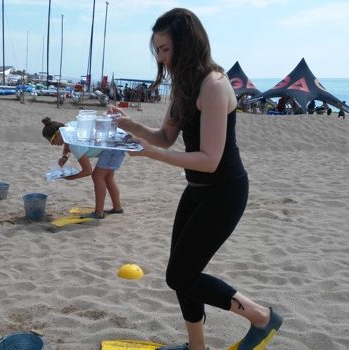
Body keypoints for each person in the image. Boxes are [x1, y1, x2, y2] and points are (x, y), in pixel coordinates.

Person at [109, 8, 282, 350]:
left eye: (166, 49)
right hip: (198, 190)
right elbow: (164, 137)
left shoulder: (214, 86)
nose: (161, 58)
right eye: (157, 50)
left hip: (225, 192)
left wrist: (151, 153)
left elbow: (209, 159)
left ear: (187, 44)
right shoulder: (183, 86)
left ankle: (262, 317)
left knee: (180, 274)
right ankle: (196, 347)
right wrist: (130, 126)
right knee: (181, 274)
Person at [41, 117, 125, 219]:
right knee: (107, 177)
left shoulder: (74, 144)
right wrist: (64, 157)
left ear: (58, 134)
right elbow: (67, 147)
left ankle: (99, 213)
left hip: (113, 145)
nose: (52, 144)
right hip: (116, 140)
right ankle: (117, 208)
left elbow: (87, 171)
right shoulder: (67, 128)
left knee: (97, 177)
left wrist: (70, 177)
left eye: (52, 140)